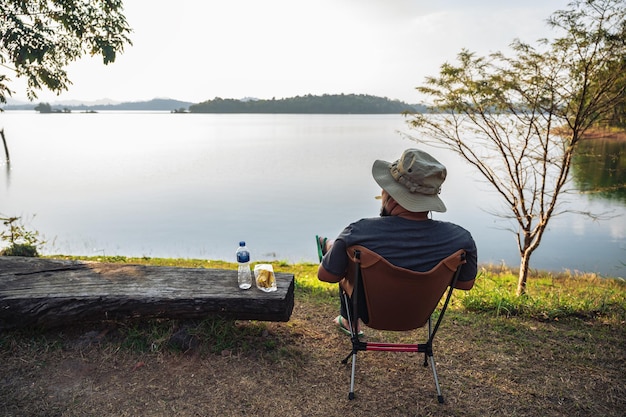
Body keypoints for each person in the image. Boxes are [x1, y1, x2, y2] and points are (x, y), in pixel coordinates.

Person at [317, 148, 477, 335]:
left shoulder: (358, 232)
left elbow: (326, 276)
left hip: (370, 314)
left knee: (344, 261)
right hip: (418, 316)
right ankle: (332, 246)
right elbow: (465, 284)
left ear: (392, 197)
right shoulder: (461, 239)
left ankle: (349, 319)